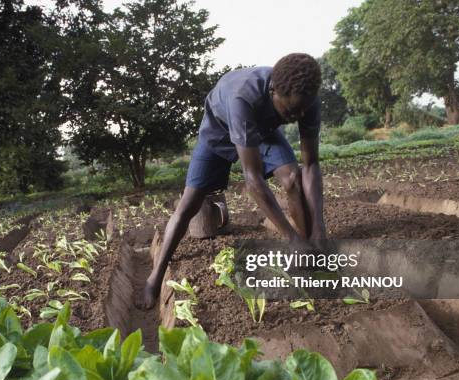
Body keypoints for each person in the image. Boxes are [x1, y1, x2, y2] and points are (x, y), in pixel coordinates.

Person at [139, 53, 326, 309]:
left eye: (303, 108)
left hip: (262, 132)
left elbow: (311, 164)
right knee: (189, 204)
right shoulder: (242, 97)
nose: (299, 115)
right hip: (219, 132)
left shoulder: (306, 101)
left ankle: (308, 254)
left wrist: (319, 231)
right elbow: (253, 178)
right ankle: (155, 277)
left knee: (292, 177)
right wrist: (290, 239)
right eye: (291, 110)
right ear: (273, 91)